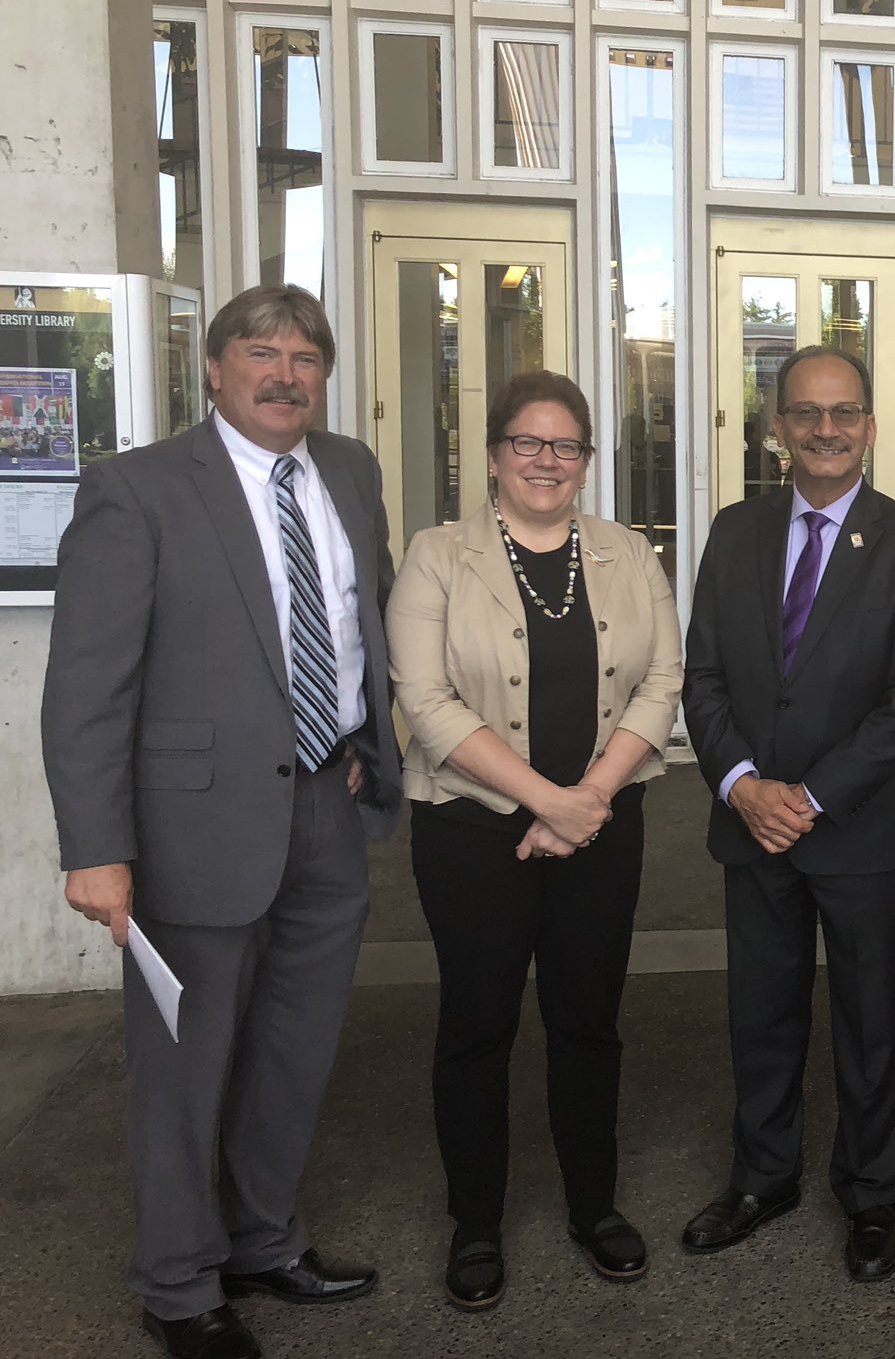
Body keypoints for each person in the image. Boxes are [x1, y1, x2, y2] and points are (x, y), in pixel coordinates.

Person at [42, 285, 403, 1359]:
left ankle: (260, 1239)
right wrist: (96, 849)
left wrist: (362, 749)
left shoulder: (351, 473)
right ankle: (178, 1284)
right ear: (213, 369)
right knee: (184, 1066)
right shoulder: (136, 490)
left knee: (292, 1051)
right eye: (260, 351)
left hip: (325, 809)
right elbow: (87, 686)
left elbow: (357, 622)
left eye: (305, 356)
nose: (285, 373)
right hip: (191, 830)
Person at [385, 371, 682, 1311]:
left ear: (587, 461)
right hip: (473, 834)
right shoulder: (437, 557)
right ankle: (475, 1224)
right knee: (477, 1027)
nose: (547, 462)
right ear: (493, 454)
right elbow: (424, 701)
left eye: (566, 447)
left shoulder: (630, 553)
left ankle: (593, 1207)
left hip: (604, 825)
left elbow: (663, 679)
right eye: (528, 443)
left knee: (588, 1023)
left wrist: (589, 798)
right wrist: (546, 803)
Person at [681, 345, 895, 1283]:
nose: (826, 430)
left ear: (870, 428)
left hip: (861, 827)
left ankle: (872, 1193)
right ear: (779, 429)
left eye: (844, 414)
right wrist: (744, 784)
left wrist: (810, 793)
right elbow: (703, 675)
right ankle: (764, 1177)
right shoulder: (733, 530)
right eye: (806, 413)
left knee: (871, 1018)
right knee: (761, 1011)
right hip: (751, 820)